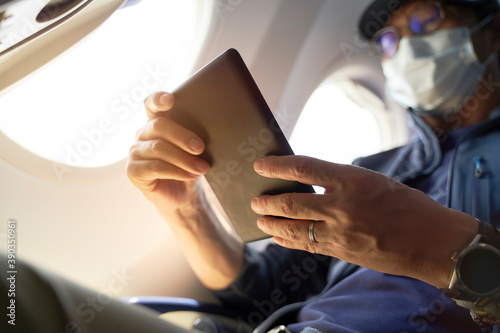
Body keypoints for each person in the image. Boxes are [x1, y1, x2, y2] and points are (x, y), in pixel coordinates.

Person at [127, 0, 500, 332]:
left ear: (493, 31)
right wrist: (184, 208)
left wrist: (440, 246)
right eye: (389, 40)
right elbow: (263, 292)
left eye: (426, 19)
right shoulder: (376, 170)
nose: (405, 46)